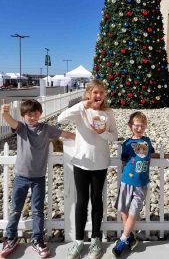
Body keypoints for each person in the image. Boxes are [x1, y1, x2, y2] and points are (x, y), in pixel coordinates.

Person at [0, 99, 75, 258]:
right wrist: (5, 113)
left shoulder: (46, 129)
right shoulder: (21, 128)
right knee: (15, 209)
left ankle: (37, 239)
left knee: (37, 211)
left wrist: (82, 138)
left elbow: (64, 134)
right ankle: (10, 237)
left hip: (38, 178)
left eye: (35, 113)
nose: (32, 117)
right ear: (23, 115)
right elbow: (10, 121)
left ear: (40, 113)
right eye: (28, 114)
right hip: (21, 176)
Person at [57, 79, 118, 259]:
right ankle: (78, 241)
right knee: (82, 202)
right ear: (89, 94)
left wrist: (102, 133)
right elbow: (61, 119)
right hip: (81, 163)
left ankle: (96, 239)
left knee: (97, 200)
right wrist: (83, 104)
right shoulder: (81, 110)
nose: (98, 96)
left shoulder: (108, 112)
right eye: (94, 92)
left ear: (104, 94)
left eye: (101, 92)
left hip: (100, 163)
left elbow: (114, 136)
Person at [112, 111, 158, 258]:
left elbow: (150, 154)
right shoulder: (126, 144)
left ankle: (122, 239)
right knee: (124, 211)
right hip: (127, 182)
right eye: (136, 126)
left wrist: (166, 155)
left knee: (133, 212)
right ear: (131, 126)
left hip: (141, 184)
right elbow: (124, 160)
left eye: (142, 126)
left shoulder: (147, 141)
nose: (139, 128)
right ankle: (130, 237)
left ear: (145, 126)